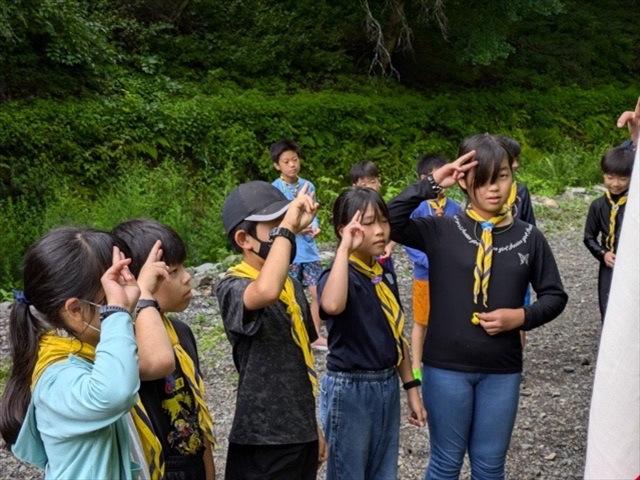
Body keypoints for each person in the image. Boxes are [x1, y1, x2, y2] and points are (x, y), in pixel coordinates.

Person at [388, 134, 568, 479]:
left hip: (502, 371)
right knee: (445, 463)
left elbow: (555, 296)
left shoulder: (529, 237)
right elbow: (391, 221)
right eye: (482, 180)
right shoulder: (441, 229)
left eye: (501, 176)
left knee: (489, 466)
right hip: (445, 368)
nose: (493, 189)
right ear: (464, 182)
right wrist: (431, 183)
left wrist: (521, 316)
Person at [0, 227, 147, 479]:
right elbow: (115, 393)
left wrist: (118, 309)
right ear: (76, 310)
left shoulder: (86, 352)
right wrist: (117, 313)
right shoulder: (56, 377)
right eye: (109, 297)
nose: (121, 300)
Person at [215, 181, 327, 479]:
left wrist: (312, 425)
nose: (283, 235)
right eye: (273, 227)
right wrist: (289, 226)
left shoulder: (291, 286)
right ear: (244, 239)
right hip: (262, 438)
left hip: (299, 432)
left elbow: (299, 366)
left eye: (284, 223)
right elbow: (264, 291)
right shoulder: (233, 286)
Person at [317, 186, 426, 480]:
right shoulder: (339, 275)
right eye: (367, 223)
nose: (379, 231)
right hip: (351, 388)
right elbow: (331, 304)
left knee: (383, 472)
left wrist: (411, 389)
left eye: (383, 221)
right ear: (345, 230)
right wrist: (344, 249)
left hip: (386, 384)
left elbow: (396, 334)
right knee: (348, 473)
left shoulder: (382, 273)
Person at [113, 219, 217, 480]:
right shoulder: (125, 342)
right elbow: (157, 362)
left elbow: (194, 410)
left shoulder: (180, 331)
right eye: (171, 270)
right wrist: (143, 295)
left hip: (192, 461)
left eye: (183, 266)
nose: (187, 277)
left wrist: (209, 469)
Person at [404, 154, 461, 382]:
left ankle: (448, 359)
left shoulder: (455, 208)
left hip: (450, 277)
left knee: (448, 317)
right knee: (421, 320)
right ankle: (416, 364)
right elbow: (409, 240)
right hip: (425, 275)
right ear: (423, 179)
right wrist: (430, 261)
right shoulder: (418, 208)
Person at [270, 139, 328, 351]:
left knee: (318, 292)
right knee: (290, 296)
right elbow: (275, 220)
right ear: (277, 165)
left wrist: (315, 226)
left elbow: (313, 213)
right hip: (289, 251)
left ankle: (315, 336)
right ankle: (293, 335)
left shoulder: (308, 185)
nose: (292, 164)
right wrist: (294, 227)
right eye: (286, 161)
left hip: (309, 250)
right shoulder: (274, 189)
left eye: (294, 159)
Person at [583, 144, 635, 322]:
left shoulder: (635, 204)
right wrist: (603, 254)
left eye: (622, 179)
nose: (615, 183)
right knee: (607, 305)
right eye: (610, 177)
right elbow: (589, 237)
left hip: (633, 264)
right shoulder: (597, 205)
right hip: (609, 264)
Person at [350, 160, 397, 269]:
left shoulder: (384, 207)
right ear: (354, 186)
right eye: (364, 184)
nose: (369, 187)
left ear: (379, 182)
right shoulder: (353, 209)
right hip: (361, 257)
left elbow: (398, 228)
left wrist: (389, 246)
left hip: (383, 255)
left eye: (372, 182)